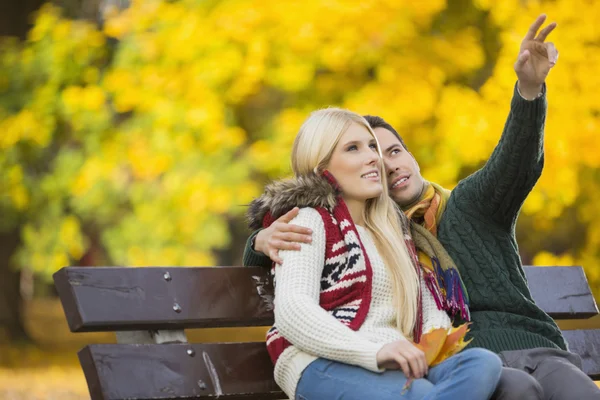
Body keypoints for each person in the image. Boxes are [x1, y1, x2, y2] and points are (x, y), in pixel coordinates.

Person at [243, 14, 600, 400]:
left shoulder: (463, 207)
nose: (384, 163)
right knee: (510, 386)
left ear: (413, 156)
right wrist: (260, 240)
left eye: (391, 150)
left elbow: (514, 163)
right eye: (366, 152)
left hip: (518, 352)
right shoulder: (362, 231)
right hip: (429, 364)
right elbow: (299, 256)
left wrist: (529, 90)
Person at [247, 107, 502, 399]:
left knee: (482, 364)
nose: (373, 156)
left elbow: (428, 307)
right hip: (320, 362)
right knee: (419, 393)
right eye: (353, 148)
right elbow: (293, 311)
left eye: (371, 146)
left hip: (393, 363)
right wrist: (375, 352)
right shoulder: (310, 221)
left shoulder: (394, 232)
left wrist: (426, 351)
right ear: (322, 169)